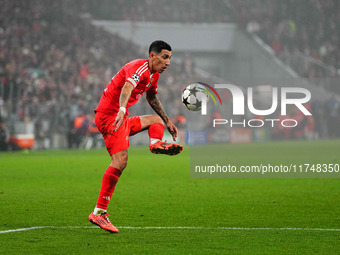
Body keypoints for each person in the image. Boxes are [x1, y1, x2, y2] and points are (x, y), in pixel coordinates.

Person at [88, 40, 183, 233]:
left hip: (121, 117)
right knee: (120, 161)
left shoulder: (153, 75)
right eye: (164, 57)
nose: (168, 63)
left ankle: (156, 144)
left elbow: (152, 97)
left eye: (170, 59)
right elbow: (127, 88)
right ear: (152, 55)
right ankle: (99, 212)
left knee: (155, 121)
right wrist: (122, 109)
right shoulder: (139, 67)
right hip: (112, 117)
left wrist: (168, 121)